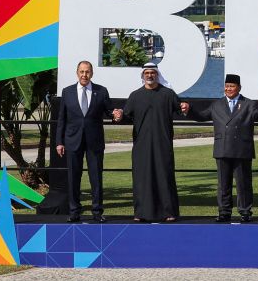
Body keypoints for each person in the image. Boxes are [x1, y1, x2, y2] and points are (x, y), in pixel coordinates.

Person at [186, 73, 258, 223]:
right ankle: (224, 212)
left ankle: (245, 212)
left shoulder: (248, 104)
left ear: (239, 88)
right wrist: (189, 110)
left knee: (243, 183)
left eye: (232, 86)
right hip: (222, 148)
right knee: (223, 184)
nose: (229, 89)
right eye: (227, 86)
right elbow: (202, 116)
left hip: (242, 149)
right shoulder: (217, 104)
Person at [114, 61, 188, 222]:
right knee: (142, 179)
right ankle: (141, 213)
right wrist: (119, 115)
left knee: (164, 177)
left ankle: (169, 212)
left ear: (157, 75)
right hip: (142, 145)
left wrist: (185, 107)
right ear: (143, 75)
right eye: (147, 73)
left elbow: (181, 110)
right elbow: (126, 115)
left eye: (152, 73)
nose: (150, 75)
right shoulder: (135, 96)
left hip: (163, 144)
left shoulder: (168, 94)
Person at [54, 60, 113, 223]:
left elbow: (109, 111)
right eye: (82, 71)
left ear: (91, 73)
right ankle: (74, 211)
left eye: (87, 72)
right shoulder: (67, 92)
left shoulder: (101, 91)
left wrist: (116, 114)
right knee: (73, 177)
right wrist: (59, 142)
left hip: (95, 141)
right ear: (77, 73)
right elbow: (62, 119)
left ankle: (97, 211)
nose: (84, 75)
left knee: (96, 177)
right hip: (72, 141)